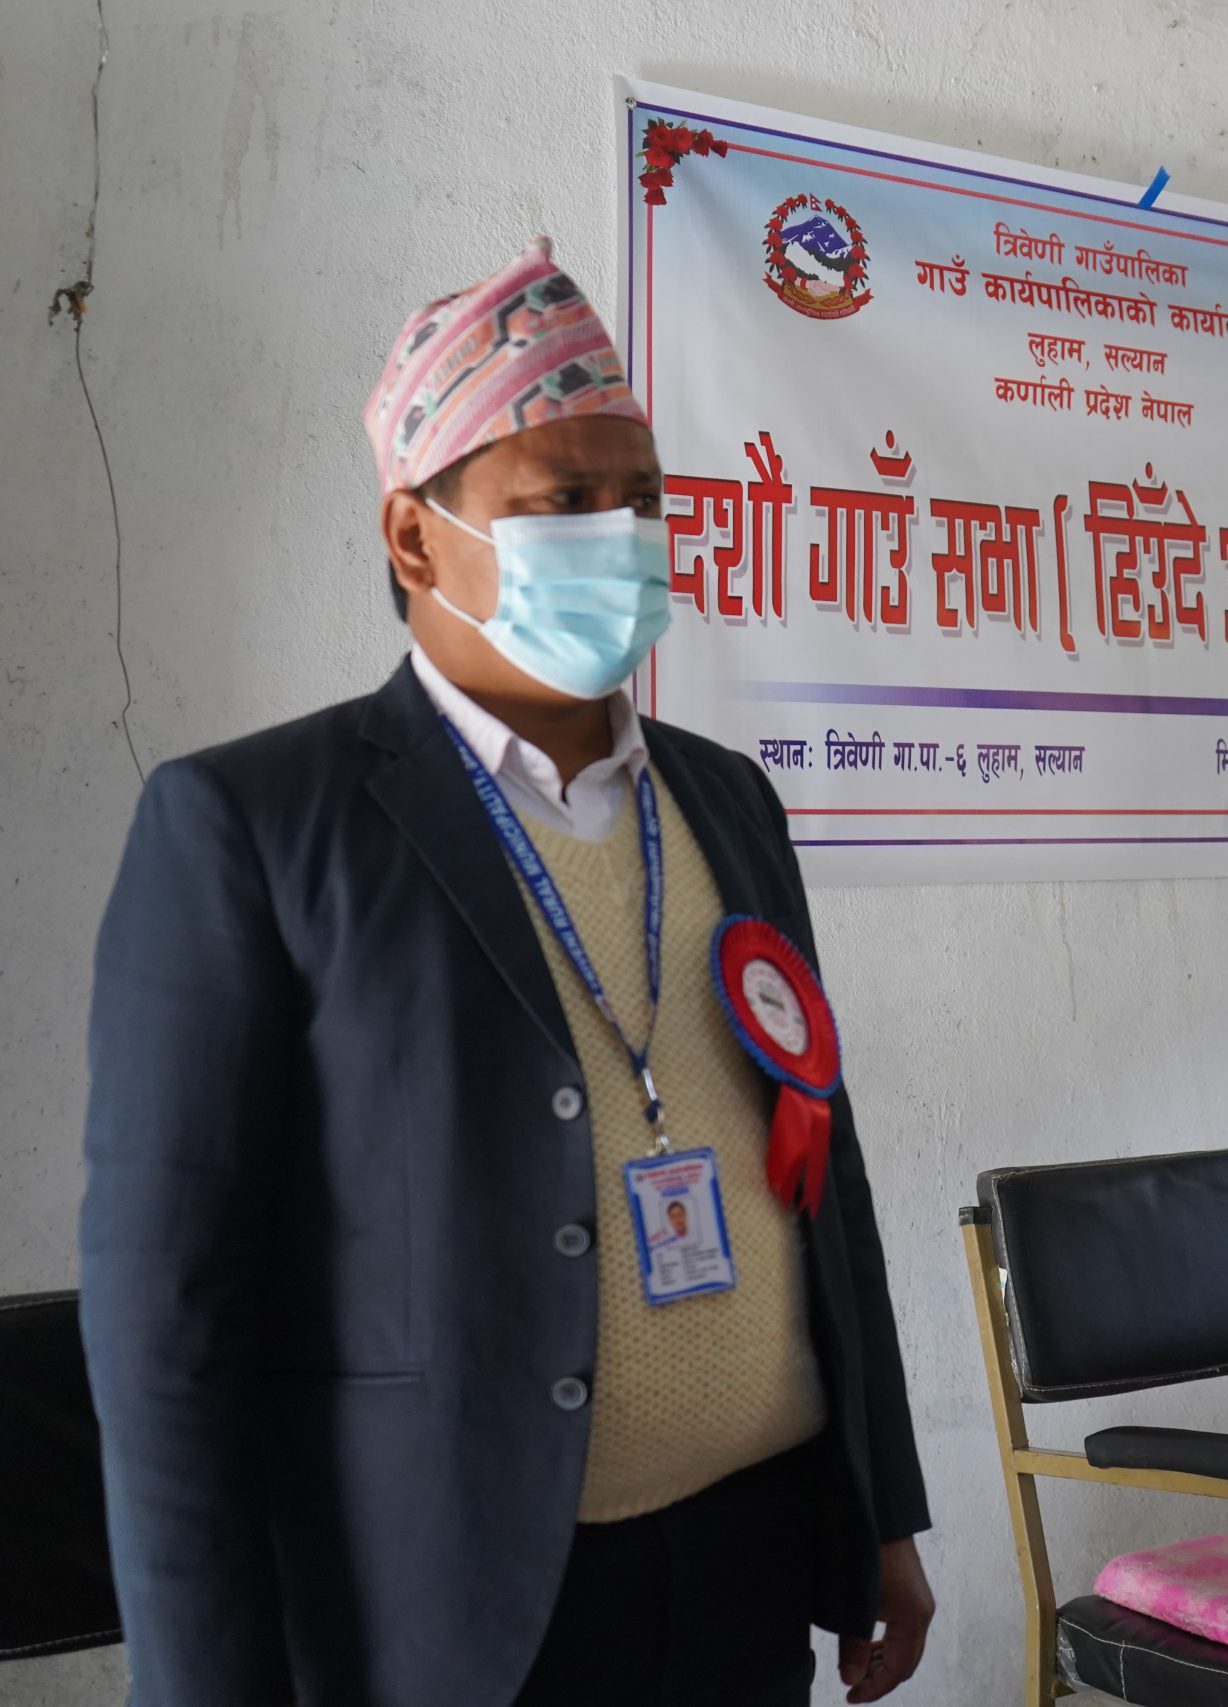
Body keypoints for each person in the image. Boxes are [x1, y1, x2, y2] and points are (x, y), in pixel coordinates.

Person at [80, 238, 934, 1707]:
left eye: (642, 497)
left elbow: (821, 1161)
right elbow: (168, 1317)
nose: (623, 535)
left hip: (745, 1570)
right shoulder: (254, 827)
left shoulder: (727, 800)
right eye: (564, 503)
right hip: (457, 1612)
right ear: (415, 540)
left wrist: (881, 1512)